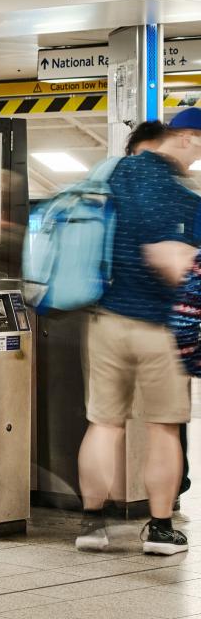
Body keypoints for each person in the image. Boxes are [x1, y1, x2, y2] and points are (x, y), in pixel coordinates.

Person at [76, 108, 201, 555]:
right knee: (164, 428)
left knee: (103, 425)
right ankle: (162, 529)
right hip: (161, 329)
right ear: (185, 137)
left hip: (107, 319)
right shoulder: (182, 196)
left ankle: (92, 525)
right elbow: (171, 261)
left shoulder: (118, 171)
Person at [124, 120, 192, 500]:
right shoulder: (126, 193)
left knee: (166, 421)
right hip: (134, 322)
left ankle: (172, 492)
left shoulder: (179, 195)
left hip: (166, 325)